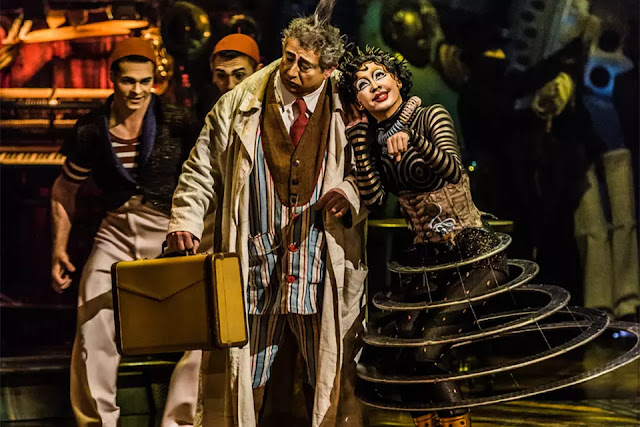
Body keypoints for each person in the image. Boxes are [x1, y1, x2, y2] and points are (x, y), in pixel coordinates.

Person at [165, 1, 368, 425]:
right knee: (244, 376)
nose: (292, 71)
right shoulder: (240, 103)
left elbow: (371, 171)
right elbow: (201, 168)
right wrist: (185, 220)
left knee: (327, 376)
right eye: (289, 57)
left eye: (305, 65)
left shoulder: (349, 104)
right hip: (257, 265)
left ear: (328, 70)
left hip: (316, 262)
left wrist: (350, 192)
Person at [338, 46, 509, 427]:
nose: (374, 86)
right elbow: (374, 198)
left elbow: (452, 170)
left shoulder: (430, 115)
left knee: (426, 350)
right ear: (358, 101)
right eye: (362, 85)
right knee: (400, 354)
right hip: (428, 261)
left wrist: (414, 140)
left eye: (379, 76)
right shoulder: (374, 137)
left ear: (398, 80)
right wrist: (359, 139)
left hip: (472, 253)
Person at [50, 37, 199, 427]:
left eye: (145, 81)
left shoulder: (177, 120)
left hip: (170, 231)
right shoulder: (91, 129)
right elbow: (65, 188)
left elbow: (204, 176)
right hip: (116, 230)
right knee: (91, 321)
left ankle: (180, 421)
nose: (137, 90)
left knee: (205, 327)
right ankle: (99, 422)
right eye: (128, 80)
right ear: (111, 78)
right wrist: (59, 248)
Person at [161, 33, 263, 427]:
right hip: (222, 234)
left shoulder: (274, 108)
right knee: (208, 339)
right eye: (221, 75)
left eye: (239, 74)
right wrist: (185, 222)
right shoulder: (216, 113)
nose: (230, 83)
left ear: (258, 69)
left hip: (271, 239)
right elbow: (198, 172)